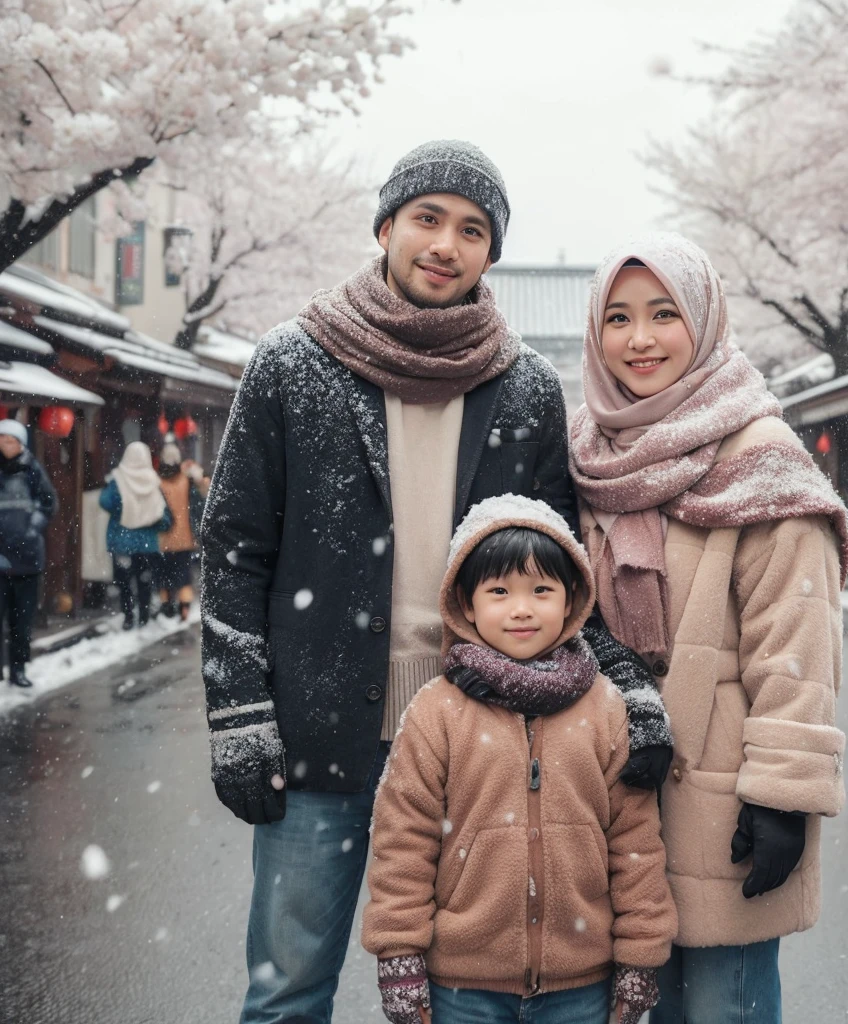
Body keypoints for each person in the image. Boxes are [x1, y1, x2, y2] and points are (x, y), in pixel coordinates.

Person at [200, 140, 671, 1024]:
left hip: (483, 734)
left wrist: (628, 689)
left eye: (473, 229)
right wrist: (238, 713)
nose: (445, 244)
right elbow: (233, 551)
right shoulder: (291, 364)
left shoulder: (525, 387)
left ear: (492, 252)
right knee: (288, 988)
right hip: (321, 728)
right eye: (427, 219)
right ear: (386, 227)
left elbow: (562, 577)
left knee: (474, 991)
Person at [569, 234, 848, 1024]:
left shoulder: (762, 459)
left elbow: (796, 643)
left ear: (705, 319)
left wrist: (784, 798)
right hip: (616, 794)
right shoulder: (591, 453)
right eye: (618, 318)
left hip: (723, 798)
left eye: (665, 314)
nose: (641, 339)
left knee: (725, 1006)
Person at [362, 494, 677, 1024]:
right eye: (499, 591)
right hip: (464, 987)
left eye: (541, 590)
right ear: (466, 603)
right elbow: (403, 843)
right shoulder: (435, 712)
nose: (522, 608)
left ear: (573, 598)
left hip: (580, 984)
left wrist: (640, 956)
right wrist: (399, 955)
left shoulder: (604, 708)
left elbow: (635, 843)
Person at [0, 419, 56, 688]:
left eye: (11, 440)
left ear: (21, 443)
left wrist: (32, 527)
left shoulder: (33, 469)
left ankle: (18, 670)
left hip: (27, 558)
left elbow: (49, 503)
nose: (6, 444)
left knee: (21, 621)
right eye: (2, 439)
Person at [99, 441, 172, 630]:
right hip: (146, 542)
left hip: (122, 539)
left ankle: (128, 616)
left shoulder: (118, 479)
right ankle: (144, 616)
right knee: (144, 581)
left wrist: (123, 509)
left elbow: (104, 501)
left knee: (124, 583)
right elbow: (164, 518)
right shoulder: (153, 482)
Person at [155, 442, 207, 621]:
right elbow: (198, 506)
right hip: (185, 537)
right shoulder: (186, 481)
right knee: (183, 575)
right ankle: (184, 607)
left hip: (163, 538)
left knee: (164, 574)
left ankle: (166, 604)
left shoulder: (157, 481)